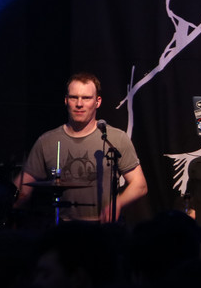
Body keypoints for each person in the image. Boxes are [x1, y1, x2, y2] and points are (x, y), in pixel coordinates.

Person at [15, 73, 147, 224]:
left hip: (103, 229)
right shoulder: (47, 141)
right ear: (66, 100)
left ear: (97, 102)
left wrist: (117, 204)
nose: (79, 104)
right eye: (74, 97)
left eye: (86, 98)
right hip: (61, 228)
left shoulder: (116, 139)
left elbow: (140, 185)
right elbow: (22, 189)